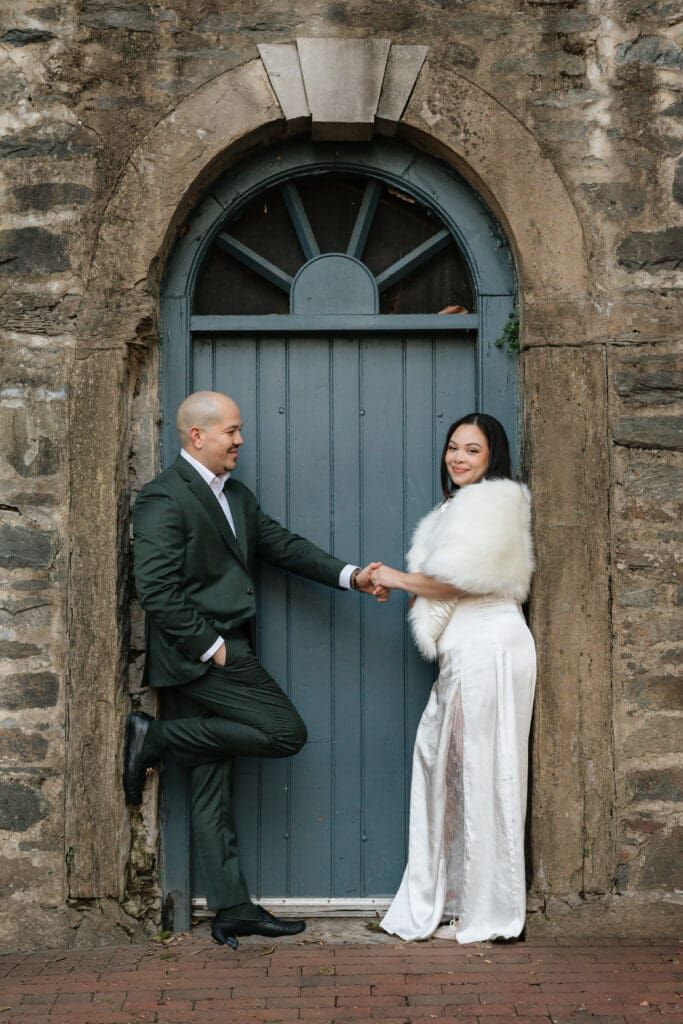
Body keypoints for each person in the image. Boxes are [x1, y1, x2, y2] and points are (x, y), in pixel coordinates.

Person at [124, 390, 388, 950]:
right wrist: (212, 647)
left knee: (210, 787)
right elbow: (156, 588)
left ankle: (231, 908)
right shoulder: (162, 499)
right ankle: (158, 737)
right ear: (198, 436)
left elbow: (282, 546)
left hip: (219, 651)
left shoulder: (235, 496)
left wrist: (351, 576)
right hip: (206, 657)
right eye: (232, 431)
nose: (241, 440)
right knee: (284, 731)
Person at [370, 413, 536, 944]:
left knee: (485, 770)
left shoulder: (494, 501)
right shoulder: (454, 508)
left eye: (472, 450)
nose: (458, 458)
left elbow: (454, 581)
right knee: (453, 768)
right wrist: (404, 583)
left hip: (489, 643)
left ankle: (490, 906)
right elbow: (438, 585)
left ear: (493, 458)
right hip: (465, 647)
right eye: (453, 448)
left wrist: (393, 578)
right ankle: (459, 897)